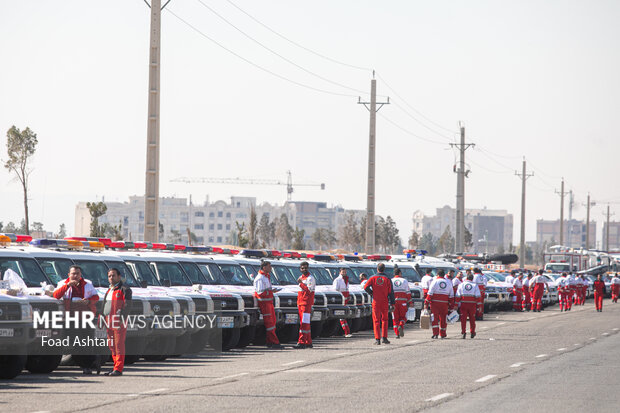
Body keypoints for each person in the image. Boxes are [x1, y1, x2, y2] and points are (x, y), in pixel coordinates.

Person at [53, 265, 100, 374]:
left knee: (87, 342)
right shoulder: (63, 284)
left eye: (77, 273)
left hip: (86, 317)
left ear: (80, 275)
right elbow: (56, 295)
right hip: (72, 318)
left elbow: (96, 297)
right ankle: (90, 362)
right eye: (73, 273)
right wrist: (67, 286)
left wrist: (88, 301)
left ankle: (88, 365)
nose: (75, 276)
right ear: (69, 275)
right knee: (76, 343)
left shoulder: (87, 284)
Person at [101, 268, 132, 376]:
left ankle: (118, 368)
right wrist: (101, 317)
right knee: (112, 345)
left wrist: (121, 319)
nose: (111, 278)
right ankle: (115, 367)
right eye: (109, 276)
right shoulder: (109, 290)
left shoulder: (124, 289)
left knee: (118, 345)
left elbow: (127, 306)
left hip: (118, 321)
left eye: (113, 275)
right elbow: (105, 305)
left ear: (119, 277)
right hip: (108, 320)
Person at [253, 261, 283, 349]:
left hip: (269, 303)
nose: (271, 268)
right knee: (269, 323)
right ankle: (274, 342)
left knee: (273, 322)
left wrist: (271, 291)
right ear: (264, 267)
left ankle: (270, 342)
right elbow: (259, 292)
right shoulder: (260, 278)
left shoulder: (266, 277)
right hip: (264, 303)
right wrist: (271, 291)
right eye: (269, 266)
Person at [364, 263, 395, 345]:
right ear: (384, 269)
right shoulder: (387, 278)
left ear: (377, 269)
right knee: (385, 320)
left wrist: (371, 293)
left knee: (376, 320)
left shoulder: (372, 278)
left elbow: (365, 287)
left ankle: (377, 339)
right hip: (385, 301)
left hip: (376, 301)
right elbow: (391, 292)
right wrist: (393, 303)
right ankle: (384, 338)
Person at [425, 269, 454, 339]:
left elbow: (430, 293)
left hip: (435, 304)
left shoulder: (434, 281)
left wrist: (426, 303)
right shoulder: (449, 282)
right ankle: (443, 333)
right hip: (444, 304)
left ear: (437, 275)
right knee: (443, 319)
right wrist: (451, 307)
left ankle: (435, 333)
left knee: (434, 318)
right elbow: (451, 296)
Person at [295, 261, 316, 349]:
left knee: (304, 323)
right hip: (301, 303)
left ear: (308, 268)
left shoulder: (310, 278)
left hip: (306, 303)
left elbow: (309, 291)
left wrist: (301, 284)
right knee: (304, 323)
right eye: (302, 268)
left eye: (305, 268)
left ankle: (302, 342)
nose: (304, 269)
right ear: (300, 269)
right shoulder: (301, 277)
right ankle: (308, 341)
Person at [456, 272, 481, 339]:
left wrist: (456, 305)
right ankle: (472, 332)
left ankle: (463, 332)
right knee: (472, 319)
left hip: (463, 304)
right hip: (472, 304)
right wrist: (479, 306)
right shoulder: (475, 285)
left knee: (463, 319)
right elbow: (478, 297)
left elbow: (458, 296)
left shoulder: (461, 285)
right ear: (472, 279)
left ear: (466, 278)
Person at [390, 267, 411, 339]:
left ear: (394, 273)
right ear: (400, 273)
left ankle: (397, 334)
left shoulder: (391, 281)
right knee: (403, 317)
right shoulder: (404, 281)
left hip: (393, 303)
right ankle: (401, 325)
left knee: (395, 319)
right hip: (403, 303)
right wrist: (410, 302)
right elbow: (408, 293)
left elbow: (389, 293)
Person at [332, 267, 353, 338]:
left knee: (345, 316)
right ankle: (346, 332)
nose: (344, 273)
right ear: (340, 272)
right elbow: (335, 290)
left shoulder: (346, 280)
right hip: (341, 301)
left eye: (345, 272)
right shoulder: (337, 280)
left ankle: (345, 332)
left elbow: (347, 289)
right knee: (342, 317)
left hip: (346, 301)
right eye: (343, 272)